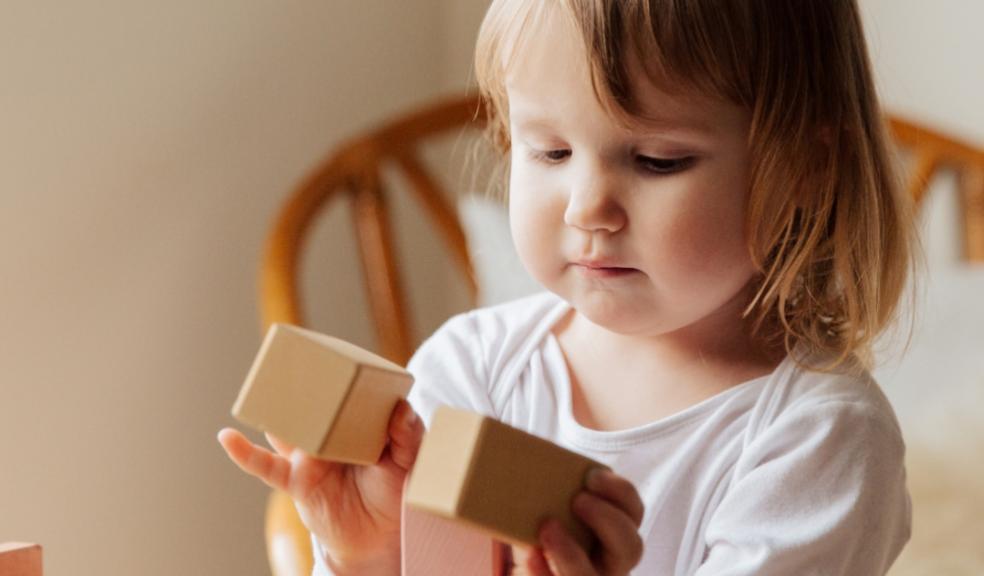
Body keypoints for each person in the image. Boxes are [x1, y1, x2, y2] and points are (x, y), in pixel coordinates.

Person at [219, 1, 917, 574]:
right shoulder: (473, 368)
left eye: (656, 160)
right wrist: (369, 556)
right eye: (550, 151)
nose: (587, 208)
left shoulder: (819, 441)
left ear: (800, 170)